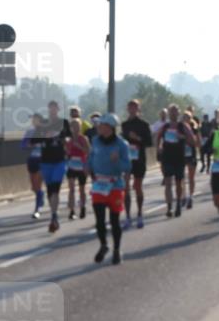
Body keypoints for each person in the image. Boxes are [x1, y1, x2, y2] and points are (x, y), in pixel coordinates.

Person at [87, 113, 130, 265]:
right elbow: (91, 158)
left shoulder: (121, 144)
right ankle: (104, 245)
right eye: (99, 125)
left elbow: (127, 166)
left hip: (115, 186)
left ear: (110, 127)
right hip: (99, 185)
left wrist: (117, 160)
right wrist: (88, 169)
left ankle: (117, 250)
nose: (99, 128)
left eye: (102, 125)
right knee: (99, 220)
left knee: (114, 221)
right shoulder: (95, 141)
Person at [29, 100, 71, 232]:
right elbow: (32, 142)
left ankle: (54, 216)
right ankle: (54, 213)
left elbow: (69, 138)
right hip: (46, 161)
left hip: (59, 160)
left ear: (58, 109)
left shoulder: (63, 123)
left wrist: (62, 139)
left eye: (55, 108)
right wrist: (43, 137)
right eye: (50, 108)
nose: (52, 110)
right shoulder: (43, 124)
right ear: (48, 109)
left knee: (55, 189)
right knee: (49, 190)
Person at [154, 104, 197, 218]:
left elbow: (193, 141)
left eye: (175, 111)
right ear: (168, 113)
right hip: (167, 157)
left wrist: (182, 137)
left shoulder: (183, 126)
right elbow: (158, 137)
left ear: (178, 113)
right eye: (171, 111)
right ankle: (169, 207)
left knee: (178, 183)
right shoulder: (165, 126)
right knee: (168, 183)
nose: (173, 113)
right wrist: (158, 148)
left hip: (179, 158)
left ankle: (178, 203)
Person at [120, 99, 153, 229]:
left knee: (138, 186)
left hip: (139, 159)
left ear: (138, 109)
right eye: (130, 107)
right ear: (128, 109)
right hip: (127, 159)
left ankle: (139, 214)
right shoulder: (124, 125)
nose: (132, 109)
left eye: (135, 107)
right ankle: (127, 217)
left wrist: (138, 138)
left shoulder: (144, 124)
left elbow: (149, 143)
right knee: (126, 187)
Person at [65, 118, 91, 220]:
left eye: (77, 126)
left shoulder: (84, 138)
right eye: (73, 126)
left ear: (80, 127)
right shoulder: (69, 140)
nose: (75, 128)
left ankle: (82, 208)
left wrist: (79, 147)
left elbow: (88, 152)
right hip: (72, 166)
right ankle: (71, 211)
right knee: (71, 189)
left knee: (81, 189)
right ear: (70, 128)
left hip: (81, 166)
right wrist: (67, 148)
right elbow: (67, 153)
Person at [22, 113, 45, 219]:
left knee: (38, 184)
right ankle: (40, 196)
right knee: (33, 187)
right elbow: (22, 145)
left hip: (42, 159)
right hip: (32, 159)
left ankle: (37, 208)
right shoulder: (30, 131)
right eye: (32, 120)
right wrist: (29, 145)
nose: (33, 121)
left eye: (35, 119)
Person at [181, 110, 201, 209]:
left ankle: (191, 196)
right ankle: (183, 195)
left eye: (188, 118)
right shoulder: (179, 129)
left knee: (191, 177)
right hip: (181, 155)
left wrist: (191, 140)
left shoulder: (194, 129)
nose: (186, 119)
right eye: (184, 117)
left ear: (190, 119)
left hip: (191, 155)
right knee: (181, 177)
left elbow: (198, 143)